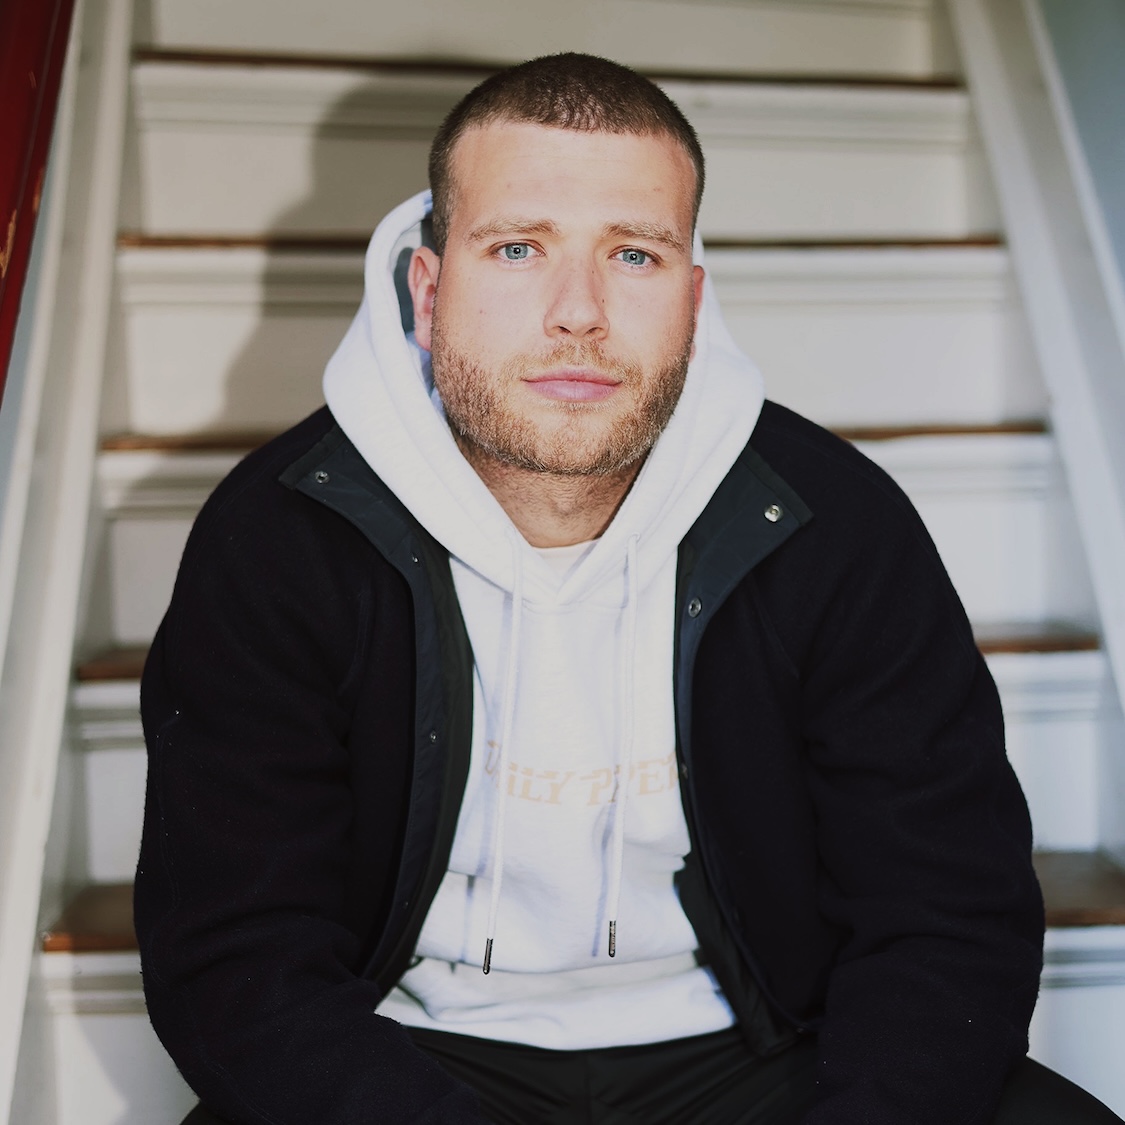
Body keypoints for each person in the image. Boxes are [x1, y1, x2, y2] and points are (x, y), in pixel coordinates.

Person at [135, 53, 1119, 1125]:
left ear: (692, 299)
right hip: (407, 1059)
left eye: (635, 255)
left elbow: (946, 914)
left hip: (763, 1054)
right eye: (518, 248)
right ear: (427, 290)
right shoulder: (284, 533)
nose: (579, 313)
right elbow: (236, 957)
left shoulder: (829, 525)